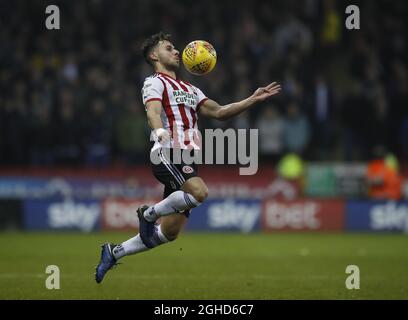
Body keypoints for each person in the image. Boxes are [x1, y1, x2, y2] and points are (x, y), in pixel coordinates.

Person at [95, 32, 281, 283]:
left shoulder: (191, 89)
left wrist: (252, 99)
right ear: (153, 55)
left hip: (189, 158)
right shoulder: (154, 82)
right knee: (199, 193)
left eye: (175, 48)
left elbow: (219, 111)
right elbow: (153, 110)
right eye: (169, 48)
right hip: (167, 151)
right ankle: (148, 215)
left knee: (169, 233)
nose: (176, 51)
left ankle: (114, 252)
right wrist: (159, 130)